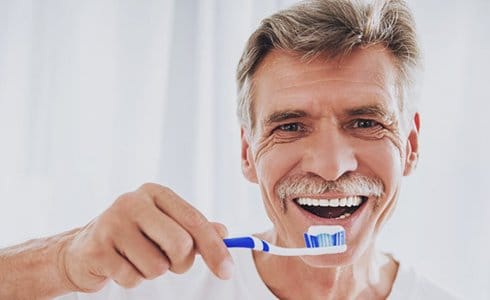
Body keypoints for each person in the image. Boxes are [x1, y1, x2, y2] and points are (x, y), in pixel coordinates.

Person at [0, 0, 459, 299]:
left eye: (365, 122)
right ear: (247, 152)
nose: (332, 165)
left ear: (411, 146)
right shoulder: (151, 288)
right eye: (291, 126)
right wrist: (61, 261)